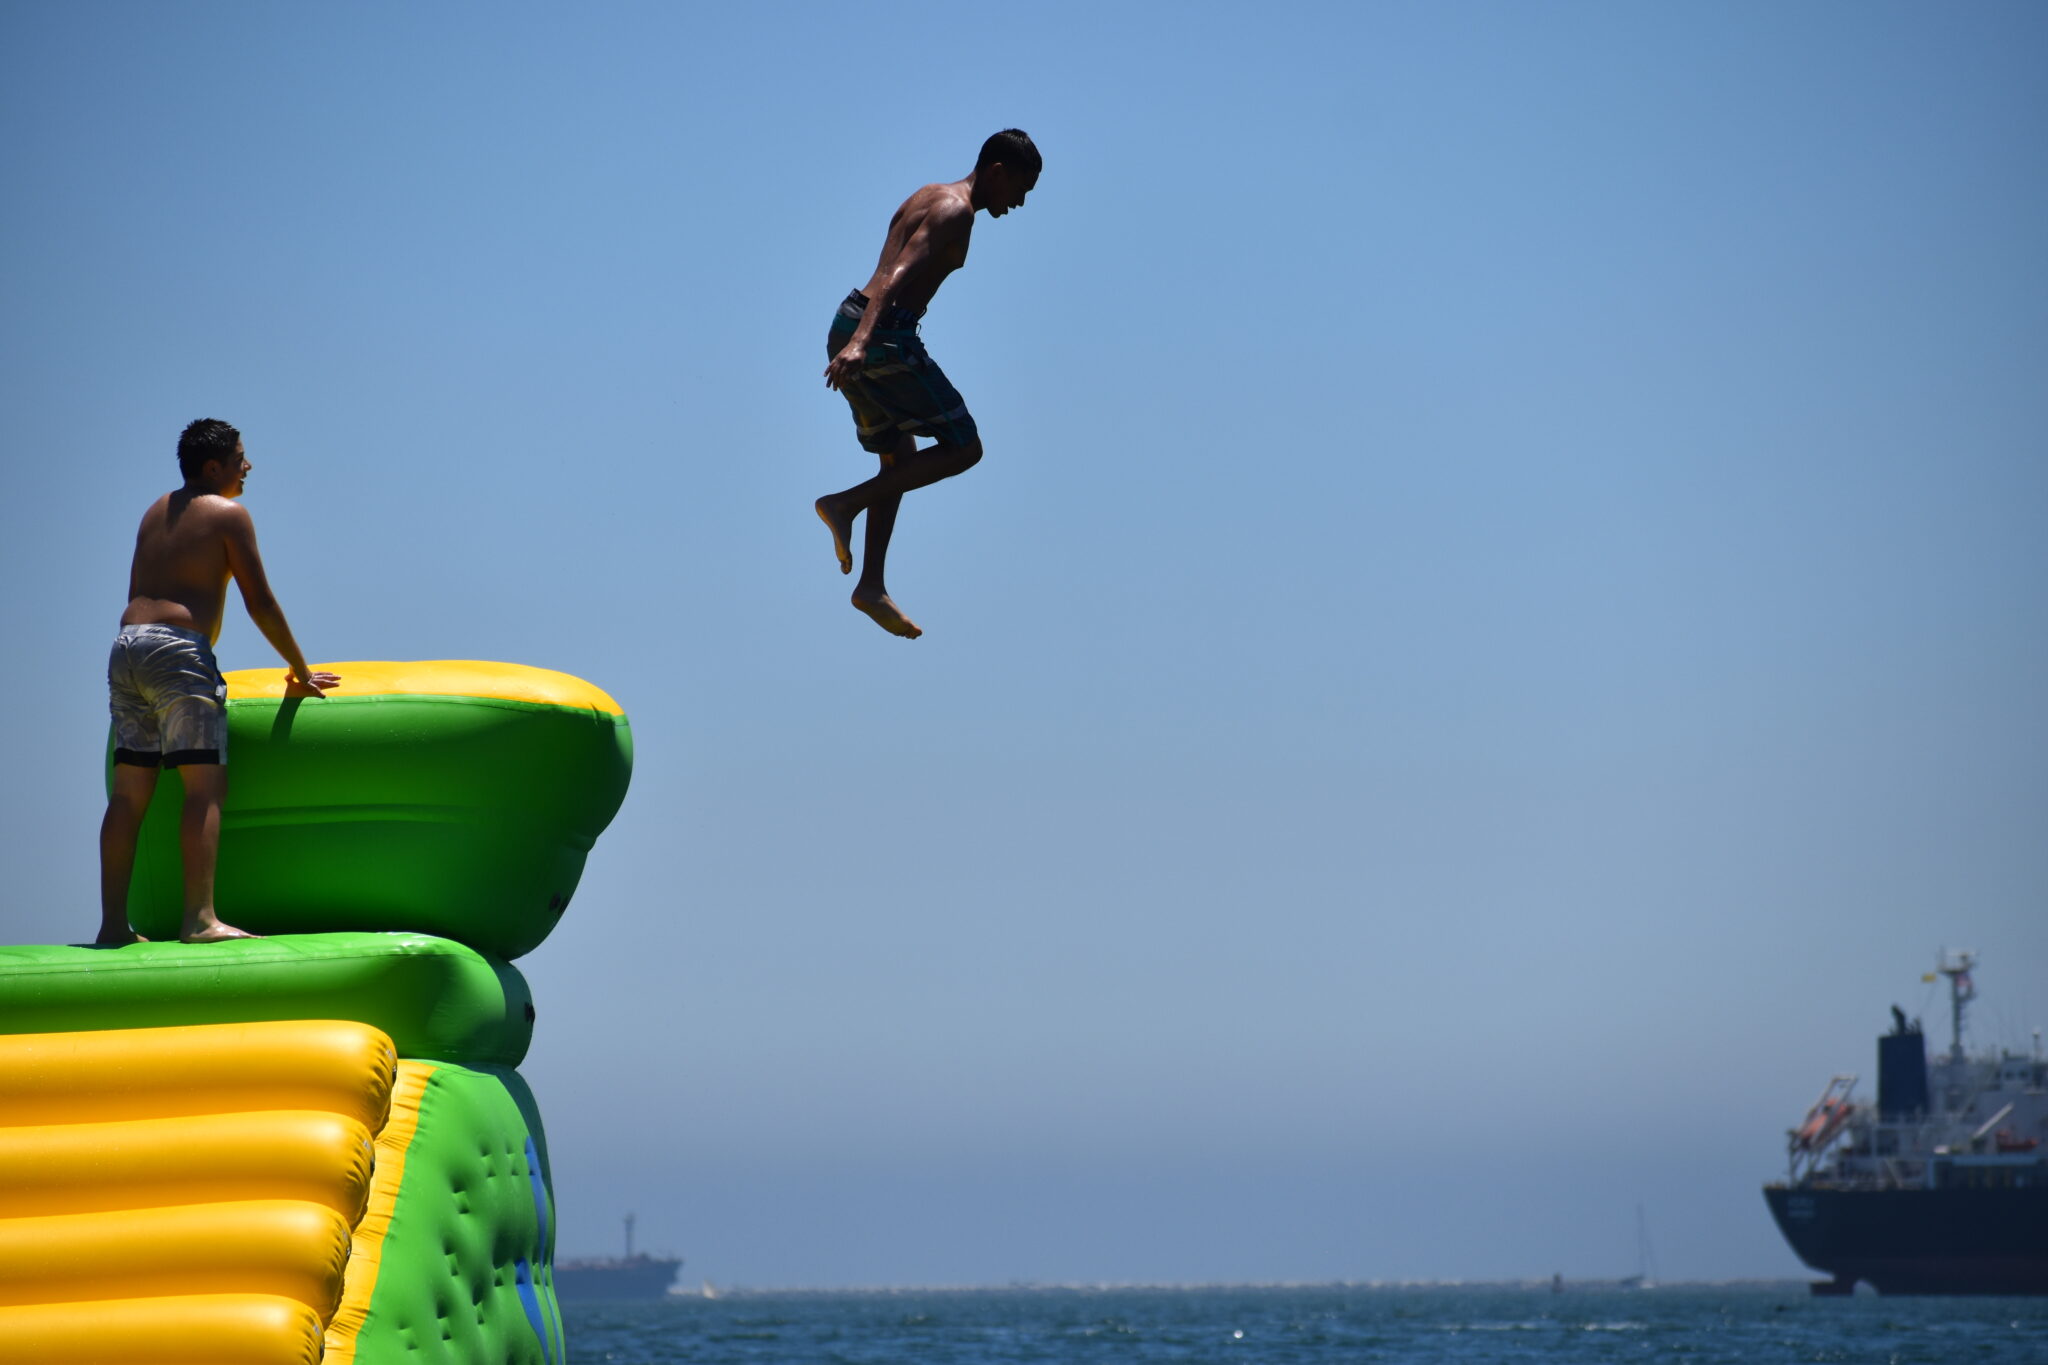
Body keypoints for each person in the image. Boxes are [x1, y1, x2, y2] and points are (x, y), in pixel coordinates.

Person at [97, 419, 340, 945]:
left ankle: (113, 926)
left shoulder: (155, 511)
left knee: (128, 794)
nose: (247, 467)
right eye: (240, 458)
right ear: (214, 467)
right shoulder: (229, 515)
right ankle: (200, 920)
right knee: (205, 788)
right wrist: (298, 670)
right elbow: (261, 601)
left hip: (127, 647)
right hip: (178, 653)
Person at [816, 128, 1042, 638]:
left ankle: (870, 585)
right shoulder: (955, 210)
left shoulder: (928, 193)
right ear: (999, 173)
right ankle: (844, 503)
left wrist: (852, 339)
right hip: (882, 334)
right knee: (965, 447)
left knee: (899, 449)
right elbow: (896, 274)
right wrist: (864, 344)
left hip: (849, 321)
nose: (1020, 204)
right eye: (1021, 190)